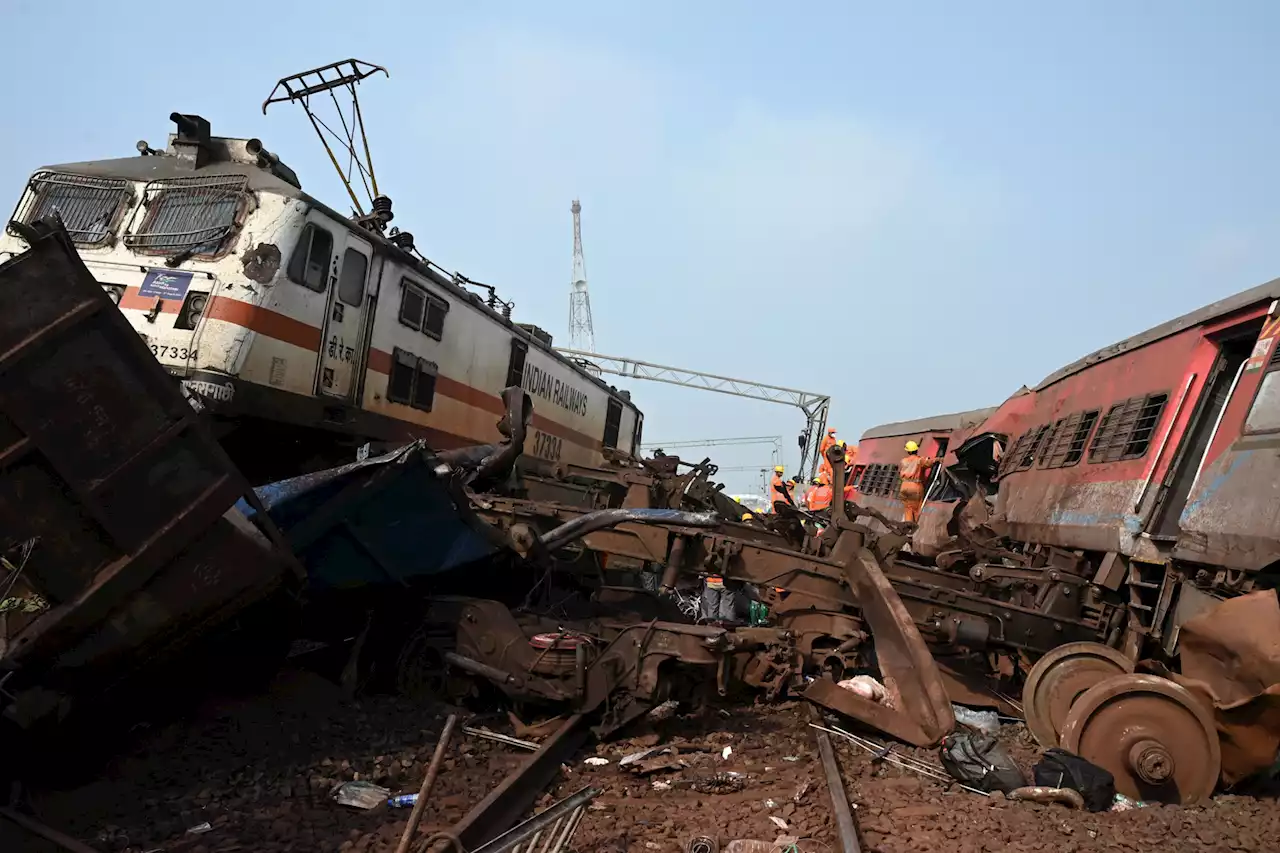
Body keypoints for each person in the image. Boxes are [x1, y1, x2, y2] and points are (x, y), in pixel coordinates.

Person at [899, 440, 940, 524]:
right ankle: (913, 528)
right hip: (915, 486)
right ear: (916, 450)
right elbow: (928, 463)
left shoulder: (903, 461)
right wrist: (937, 459)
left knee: (908, 508)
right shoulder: (919, 460)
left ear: (907, 451)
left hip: (904, 486)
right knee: (916, 509)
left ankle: (907, 527)